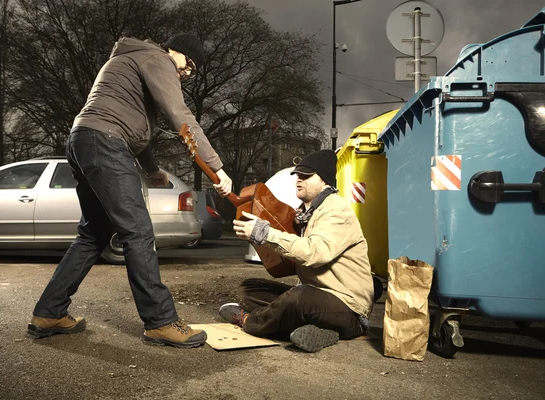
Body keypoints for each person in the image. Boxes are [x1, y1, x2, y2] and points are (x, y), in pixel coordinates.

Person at [27, 33, 232, 349]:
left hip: (84, 140)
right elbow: (181, 116)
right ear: (174, 51)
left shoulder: (132, 60)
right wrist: (216, 167)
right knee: (138, 231)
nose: (189, 73)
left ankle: (49, 312)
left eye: (193, 71)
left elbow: (137, 128)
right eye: (189, 64)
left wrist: (152, 170)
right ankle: (160, 322)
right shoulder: (157, 59)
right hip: (105, 142)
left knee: (94, 234)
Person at [220, 149, 374, 352]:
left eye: (306, 176)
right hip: (318, 297)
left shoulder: (336, 210)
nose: (299, 180)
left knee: (298, 298)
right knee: (250, 289)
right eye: (298, 175)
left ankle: (250, 321)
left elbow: (314, 253)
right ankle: (319, 329)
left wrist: (266, 234)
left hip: (349, 308)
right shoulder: (307, 214)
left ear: (325, 180)